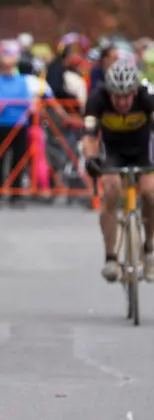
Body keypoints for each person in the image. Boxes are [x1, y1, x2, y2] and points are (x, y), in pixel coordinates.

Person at [82, 59, 154, 283]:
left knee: (151, 193)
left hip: (143, 151)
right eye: (116, 96)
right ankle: (111, 257)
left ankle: (150, 249)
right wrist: (91, 158)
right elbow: (90, 136)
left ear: (134, 92)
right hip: (113, 151)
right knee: (110, 191)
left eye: (126, 96)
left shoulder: (146, 99)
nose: (122, 102)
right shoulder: (97, 100)